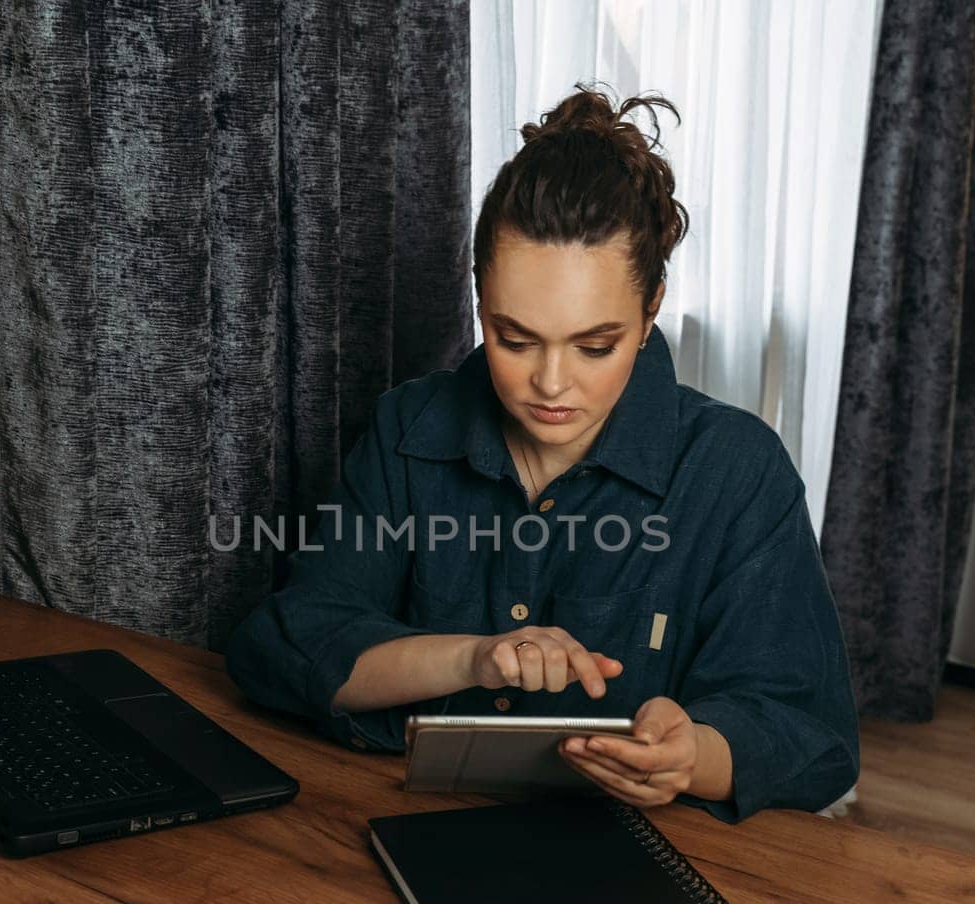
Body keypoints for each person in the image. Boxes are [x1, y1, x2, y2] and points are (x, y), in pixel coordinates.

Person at [224, 87, 858, 822]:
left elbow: (811, 733)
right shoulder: (411, 427)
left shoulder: (737, 470)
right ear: (478, 298)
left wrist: (692, 757)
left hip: (644, 861)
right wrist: (474, 656)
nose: (550, 384)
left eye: (596, 346)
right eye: (514, 339)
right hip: (401, 829)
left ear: (652, 309)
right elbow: (285, 646)